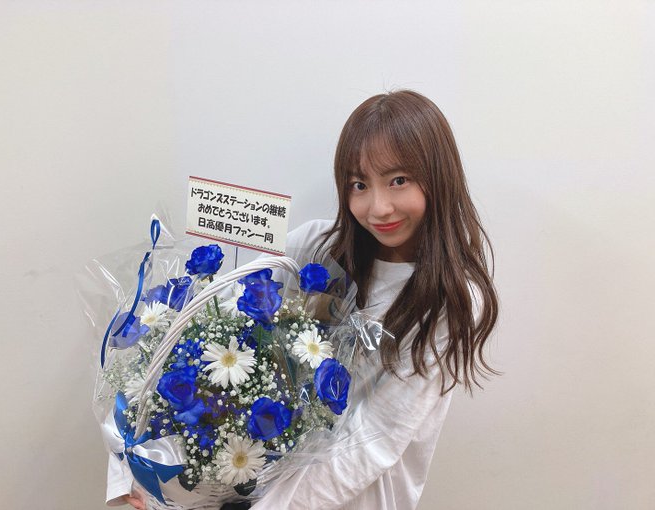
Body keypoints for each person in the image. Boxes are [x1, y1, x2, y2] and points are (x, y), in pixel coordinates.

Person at [120, 89, 498, 509]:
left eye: (398, 180)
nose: (379, 208)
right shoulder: (317, 247)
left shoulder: (450, 300)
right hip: (255, 485)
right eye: (359, 185)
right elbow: (208, 318)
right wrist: (137, 469)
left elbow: (372, 443)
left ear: (438, 175)